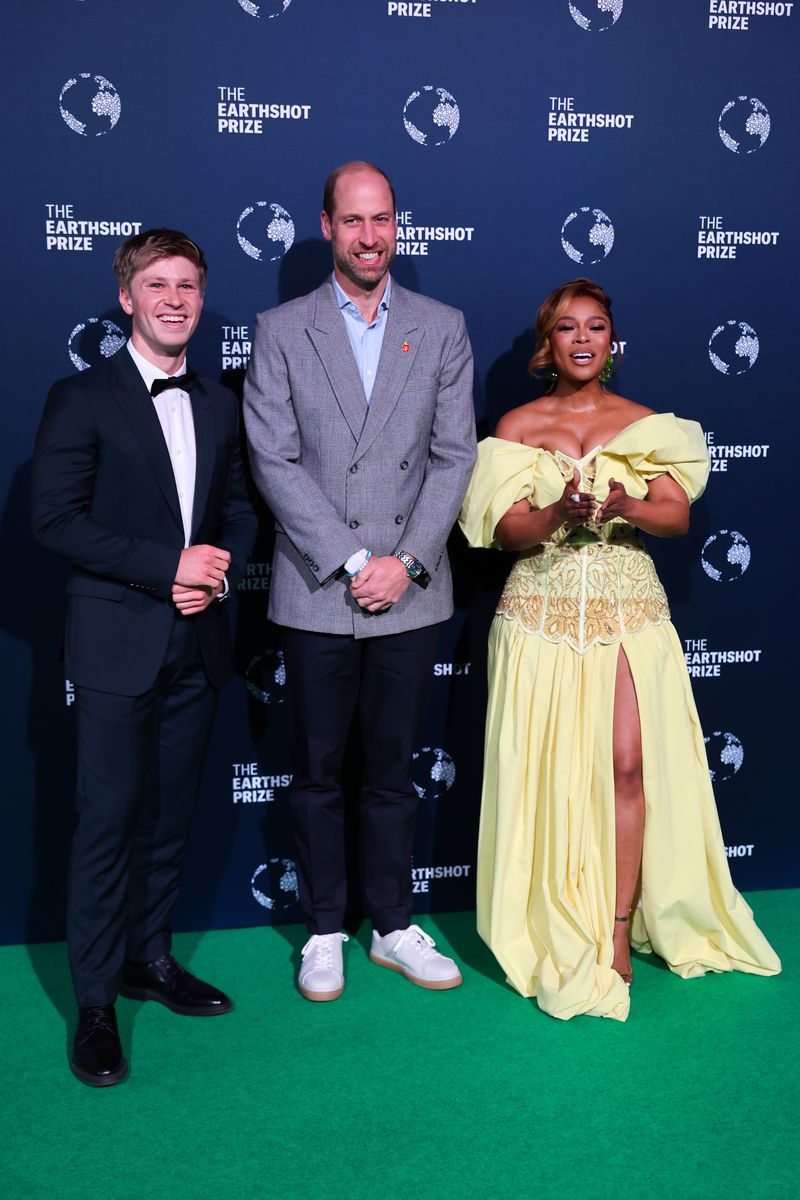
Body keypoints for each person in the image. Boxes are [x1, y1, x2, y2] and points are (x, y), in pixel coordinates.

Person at [458, 278, 780, 1021]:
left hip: (628, 610)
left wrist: (626, 504)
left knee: (627, 765)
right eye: (567, 327)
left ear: (612, 342)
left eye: (595, 327)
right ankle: (549, 919)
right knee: (544, 772)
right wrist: (554, 514)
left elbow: (674, 519)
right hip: (537, 611)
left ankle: (615, 929)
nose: (582, 339)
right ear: (550, 342)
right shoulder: (517, 423)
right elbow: (505, 530)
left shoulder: (647, 425)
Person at [244, 161, 476, 1001]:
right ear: (327, 226)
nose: (371, 236)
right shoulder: (281, 330)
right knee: (316, 770)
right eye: (354, 221)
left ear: (397, 225)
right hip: (317, 588)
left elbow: (454, 457)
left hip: (412, 590)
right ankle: (322, 929)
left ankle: (392, 925)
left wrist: (406, 562)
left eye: (383, 220)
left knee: (389, 771)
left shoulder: (441, 326)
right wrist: (351, 561)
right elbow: (273, 459)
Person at [32, 229, 257, 1083]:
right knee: (106, 826)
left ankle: (148, 960)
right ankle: (94, 1003)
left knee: (168, 820)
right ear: (125, 297)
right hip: (114, 645)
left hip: (196, 645)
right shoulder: (80, 397)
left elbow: (237, 512)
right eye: (157, 284)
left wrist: (215, 573)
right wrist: (168, 567)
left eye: (189, 285)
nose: (175, 298)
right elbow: (53, 519)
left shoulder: (219, 404)